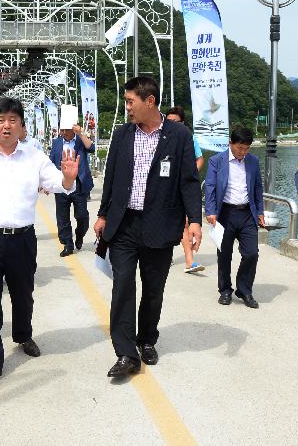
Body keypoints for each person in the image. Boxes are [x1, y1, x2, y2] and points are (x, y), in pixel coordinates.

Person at [0, 97, 79, 390]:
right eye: (1, 120)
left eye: (13, 120)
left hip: (22, 239)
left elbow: (58, 185)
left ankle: (23, 335)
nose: (7, 125)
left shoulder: (34, 157)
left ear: (21, 125)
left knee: (23, 294)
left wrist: (68, 177)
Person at [93, 77, 202, 379]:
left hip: (160, 225)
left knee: (153, 291)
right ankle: (127, 353)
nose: (126, 107)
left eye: (130, 101)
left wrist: (194, 220)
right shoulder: (122, 135)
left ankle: (147, 339)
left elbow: (189, 182)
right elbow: (112, 178)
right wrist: (103, 214)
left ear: (149, 101)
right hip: (124, 224)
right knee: (123, 287)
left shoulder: (178, 135)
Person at [204, 127, 265, 308]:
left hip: (247, 213)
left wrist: (260, 211)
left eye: (246, 149)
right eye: (240, 148)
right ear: (230, 143)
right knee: (224, 255)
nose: (243, 152)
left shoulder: (253, 161)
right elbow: (210, 187)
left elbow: (258, 188)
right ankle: (225, 290)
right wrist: (210, 211)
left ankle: (244, 290)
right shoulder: (217, 161)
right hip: (225, 214)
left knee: (252, 253)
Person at [165, 106, 206, 274]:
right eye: (168, 122)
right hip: (164, 188)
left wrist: (188, 175)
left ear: (183, 123)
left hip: (182, 188)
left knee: (186, 223)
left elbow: (199, 159)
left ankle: (189, 261)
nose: (172, 125)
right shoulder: (160, 138)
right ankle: (164, 254)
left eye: (176, 122)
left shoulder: (189, 138)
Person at [49, 124, 95, 257]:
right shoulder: (56, 142)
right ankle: (67, 244)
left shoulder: (80, 141)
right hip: (61, 184)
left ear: (73, 129)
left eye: (66, 130)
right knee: (62, 218)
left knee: (82, 216)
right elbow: (51, 162)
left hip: (79, 184)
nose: (63, 133)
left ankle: (79, 236)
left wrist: (80, 133)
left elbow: (91, 148)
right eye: (61, 130)